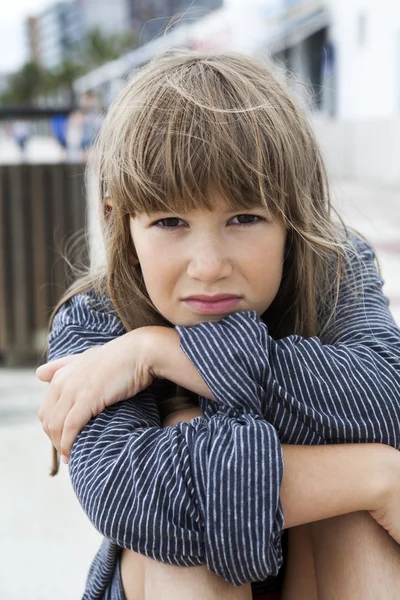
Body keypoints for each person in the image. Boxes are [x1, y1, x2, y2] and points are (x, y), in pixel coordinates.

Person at [36, 51, 400, 600]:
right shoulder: (95, 318)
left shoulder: (332, 270)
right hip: (167, 583)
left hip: (320, 570)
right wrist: (374, 476)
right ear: (120, 222)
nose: (208, 266)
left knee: (352, 521)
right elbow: (128, 492)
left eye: (244, 218)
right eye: (170, 222)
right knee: (182, 535)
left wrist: (164, 351)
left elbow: (384, 397)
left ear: (293, 215)